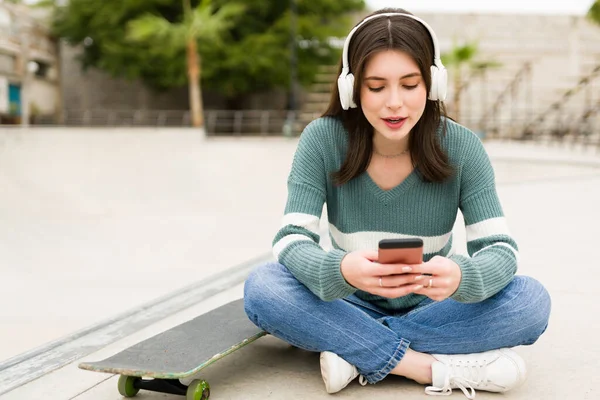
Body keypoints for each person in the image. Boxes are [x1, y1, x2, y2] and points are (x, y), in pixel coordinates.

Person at [243, 7, 551, 399]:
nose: (394, 103)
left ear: (432, 84)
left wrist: (462, 278)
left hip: (434, 309)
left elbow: (500, 250)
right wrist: (339, 270)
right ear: (352, 88)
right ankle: (426, 367)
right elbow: (290, 239)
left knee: (531, 300)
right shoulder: (322, 140)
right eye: (376, 87)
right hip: (347, 303)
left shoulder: (462, 147)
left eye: (409, 84)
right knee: (263, 287)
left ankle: (354, 351)